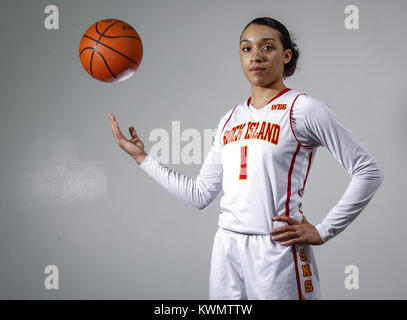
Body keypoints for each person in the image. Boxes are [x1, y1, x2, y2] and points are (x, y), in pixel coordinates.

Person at [108, 17, 383, 300]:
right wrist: (142, 158)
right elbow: (200, 195)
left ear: (286, 55)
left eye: (267, 47)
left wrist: (324, 231)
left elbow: (368, 171)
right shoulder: (229, 119)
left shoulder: (303, 109)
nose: (256, 56)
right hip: (227, 249)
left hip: (276, 249)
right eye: (246, 48)